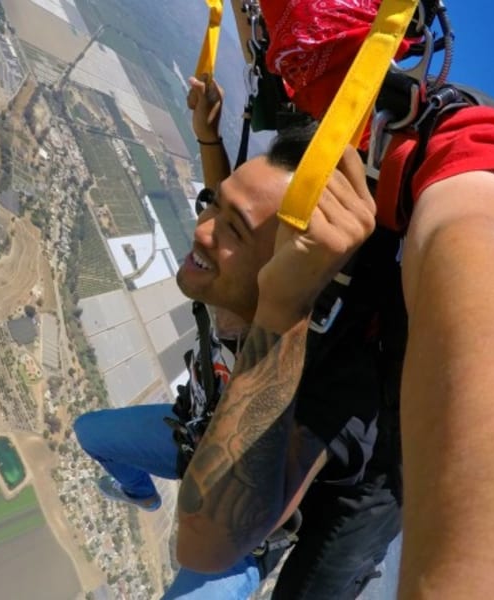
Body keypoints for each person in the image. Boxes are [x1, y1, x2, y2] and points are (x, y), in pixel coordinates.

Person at [176, 1, 494, 596]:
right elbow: (245, 229)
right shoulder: (324, 123)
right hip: (321, 380)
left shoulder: (434, 135)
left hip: (376, 453)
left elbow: (467, 233)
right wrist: (210, 141)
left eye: (256, 10)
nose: (251, 30)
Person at [75, 118, 397, 598]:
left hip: (239, 527)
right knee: (91, 433)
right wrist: (209, 136)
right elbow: (238, 216)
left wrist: (282, 308)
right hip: (197, 434)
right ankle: (140, 493)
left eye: (234, 231)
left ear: (288, 270)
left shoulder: (327, 378)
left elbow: (204, 548)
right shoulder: (232, 284)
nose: (203, 232)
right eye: (212, 207)